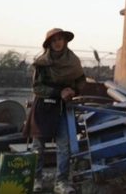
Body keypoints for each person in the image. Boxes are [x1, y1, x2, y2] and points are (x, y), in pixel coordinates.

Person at [23, 28, 85, 194]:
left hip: (63, 108)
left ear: (65, 41)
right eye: (54, 40)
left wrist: (73, 91)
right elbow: (37, 87)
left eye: (60, 39)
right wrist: (59, 92)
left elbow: (80, 82)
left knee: (64, 146)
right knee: (38, 146)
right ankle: (36, 179)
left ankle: (61, 182)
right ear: (49, 44)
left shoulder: (73, 62)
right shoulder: (42, 63)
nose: (57, 43)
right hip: (43, 107)